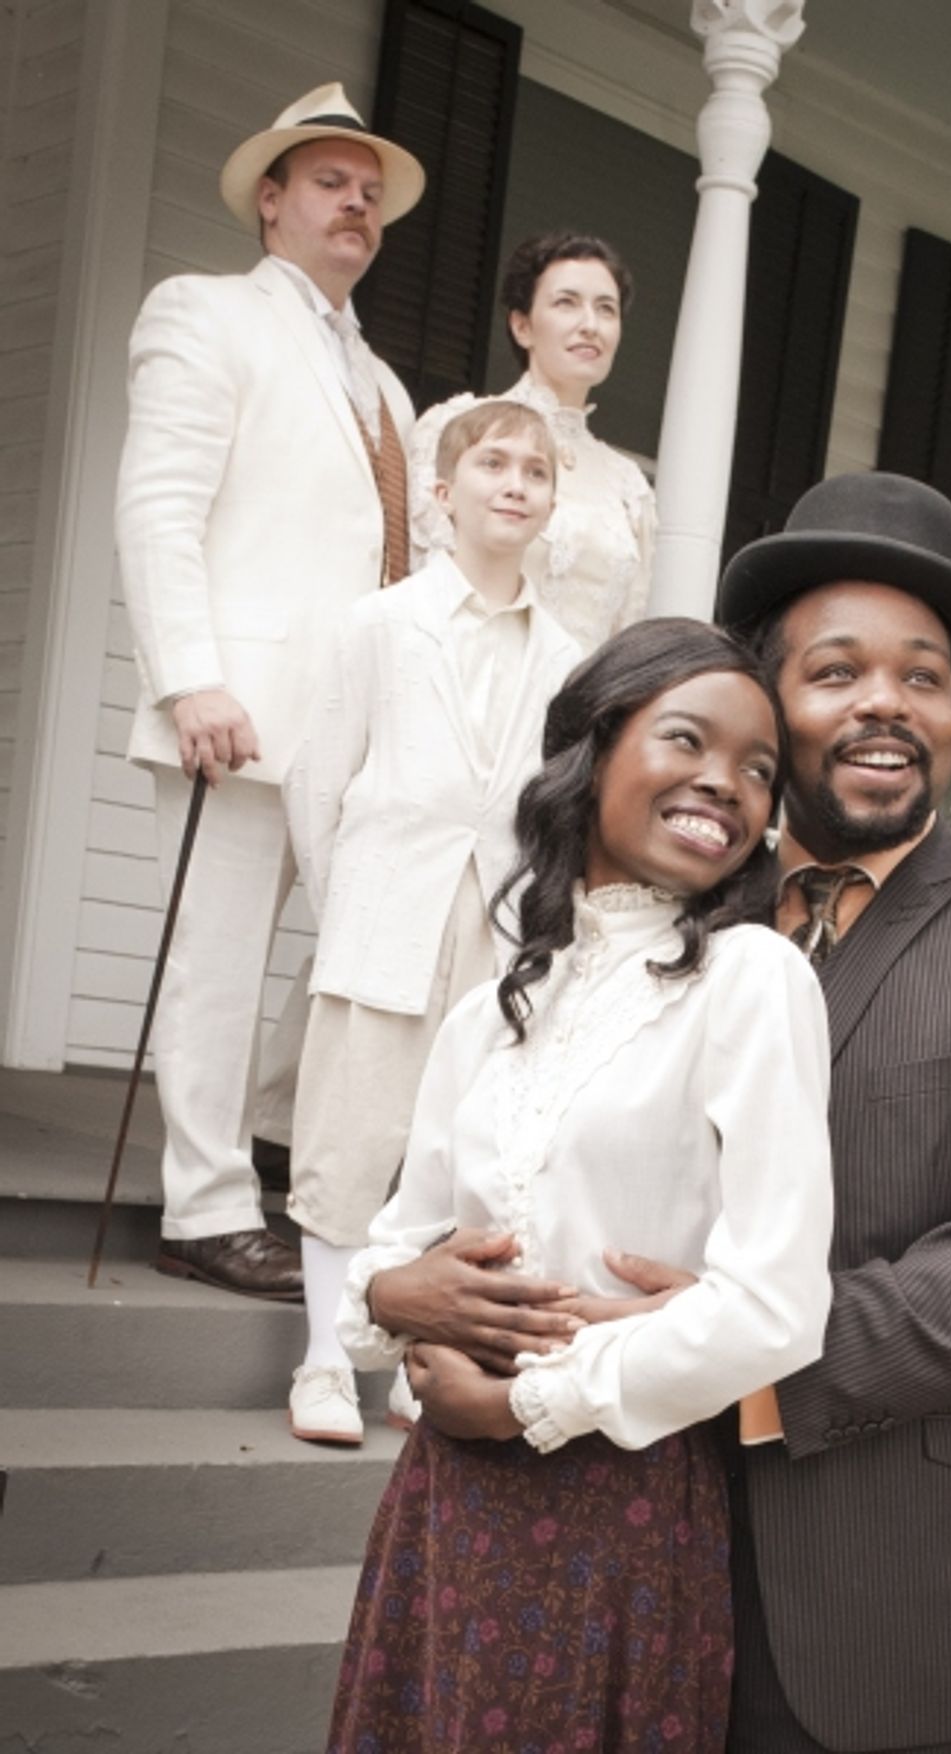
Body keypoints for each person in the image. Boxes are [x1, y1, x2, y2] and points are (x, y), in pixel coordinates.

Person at [413, 474, 951, 1754]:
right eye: (836, 672)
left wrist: (721, 1350)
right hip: (629, 1549)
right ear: (767, 707)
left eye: (924, 678)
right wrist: (427, 1295)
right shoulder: (665, 928)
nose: (886, 702)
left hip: (895, 1587)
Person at [326, 619, 835, 1754]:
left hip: (620, 1504)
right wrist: (404, 1301)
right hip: (445, 1502)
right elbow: (393, 1251)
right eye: (688, 740)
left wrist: (515, 1401)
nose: (726, 782)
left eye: (758, 770)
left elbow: (774, 1307)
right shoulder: (492, 1009)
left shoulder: (749, 979)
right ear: (591, 753)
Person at [115, 83, 424, 1300]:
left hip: (354, 735)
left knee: (356, 961)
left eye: (369, 191)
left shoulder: (386, 387)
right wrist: (190, 677)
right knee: (219, 961)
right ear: (270, 200)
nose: (355, 203)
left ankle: (279, 1156)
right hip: (233, 712)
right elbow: (158, 508)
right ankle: (201, 1205)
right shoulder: (204, 314)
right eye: (329, 181)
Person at [280, 400, 581, 1445]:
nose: (513, 481)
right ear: (443, 494)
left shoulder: (569, 657)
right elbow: (316, 781)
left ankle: (418, 1363)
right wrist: (353, 903)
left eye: (534, 470)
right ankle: (324, 1353)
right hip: (385, 909)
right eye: (491, 463)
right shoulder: (380, 625)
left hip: (499, 932)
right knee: (350, 1134)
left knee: (460, 1149)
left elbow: (556, 812)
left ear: (549, 502)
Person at [409, 230, 656, 652]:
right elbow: (419, 579)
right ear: (522, 326)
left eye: (606, 309)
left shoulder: (629, 486)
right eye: (566, 303)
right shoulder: (455, 427)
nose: (590, 326)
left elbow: (626, 637)